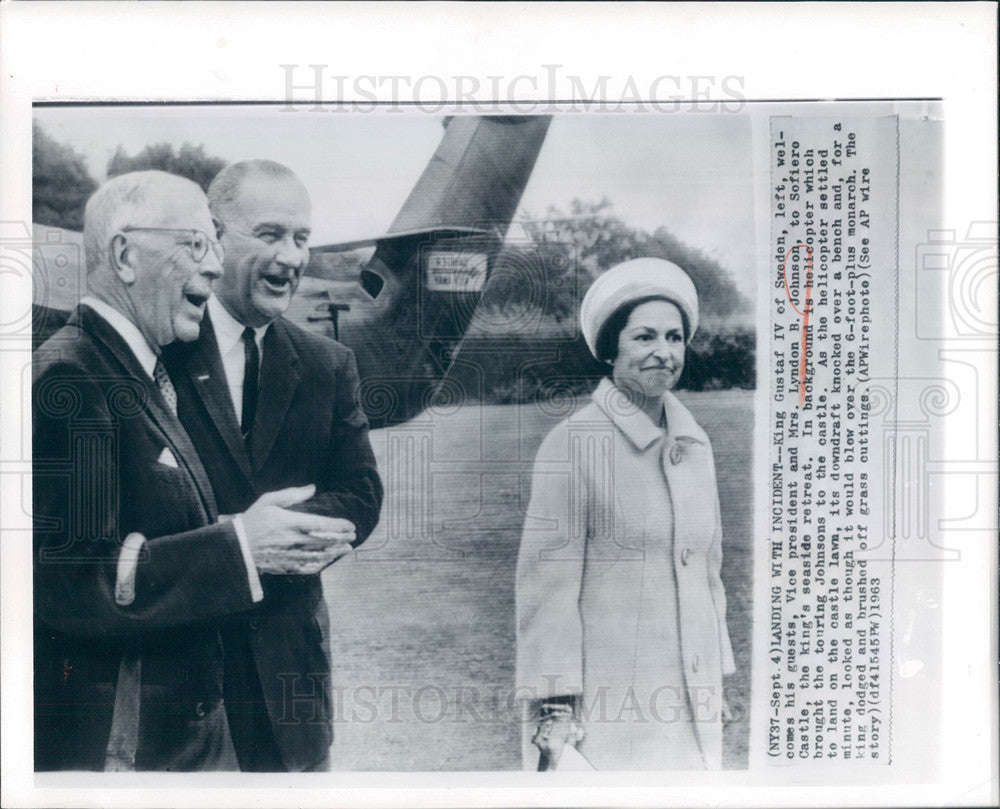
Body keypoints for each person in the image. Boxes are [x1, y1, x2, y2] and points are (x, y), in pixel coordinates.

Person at [33, 171, 356, 771]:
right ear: (125, 255)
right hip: (118, 751)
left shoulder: (135, 371)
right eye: (195, 245)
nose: (212, 267)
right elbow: (65, 583)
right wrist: (241, 547)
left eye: (215, 245)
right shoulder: (74, 376)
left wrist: (239, 538)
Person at [162, 160, 383, 772]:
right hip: (179, 681)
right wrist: (236, 544)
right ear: (213, 236)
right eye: (270, 235)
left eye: (302, 237)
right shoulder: (159, 347)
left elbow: (361, 496)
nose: (292, 257)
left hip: (292, 685)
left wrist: (275, 538)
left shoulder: (327, 363)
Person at [515, 257, 736, 771]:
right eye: (645, 338)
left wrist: (715, 681)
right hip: (607, 706)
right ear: (612, 349)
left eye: (675, 338)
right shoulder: (572, 443)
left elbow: (710, 573)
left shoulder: (695, 444)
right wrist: (555, 706)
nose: (664, 352)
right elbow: (546, 590)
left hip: (689, 699)